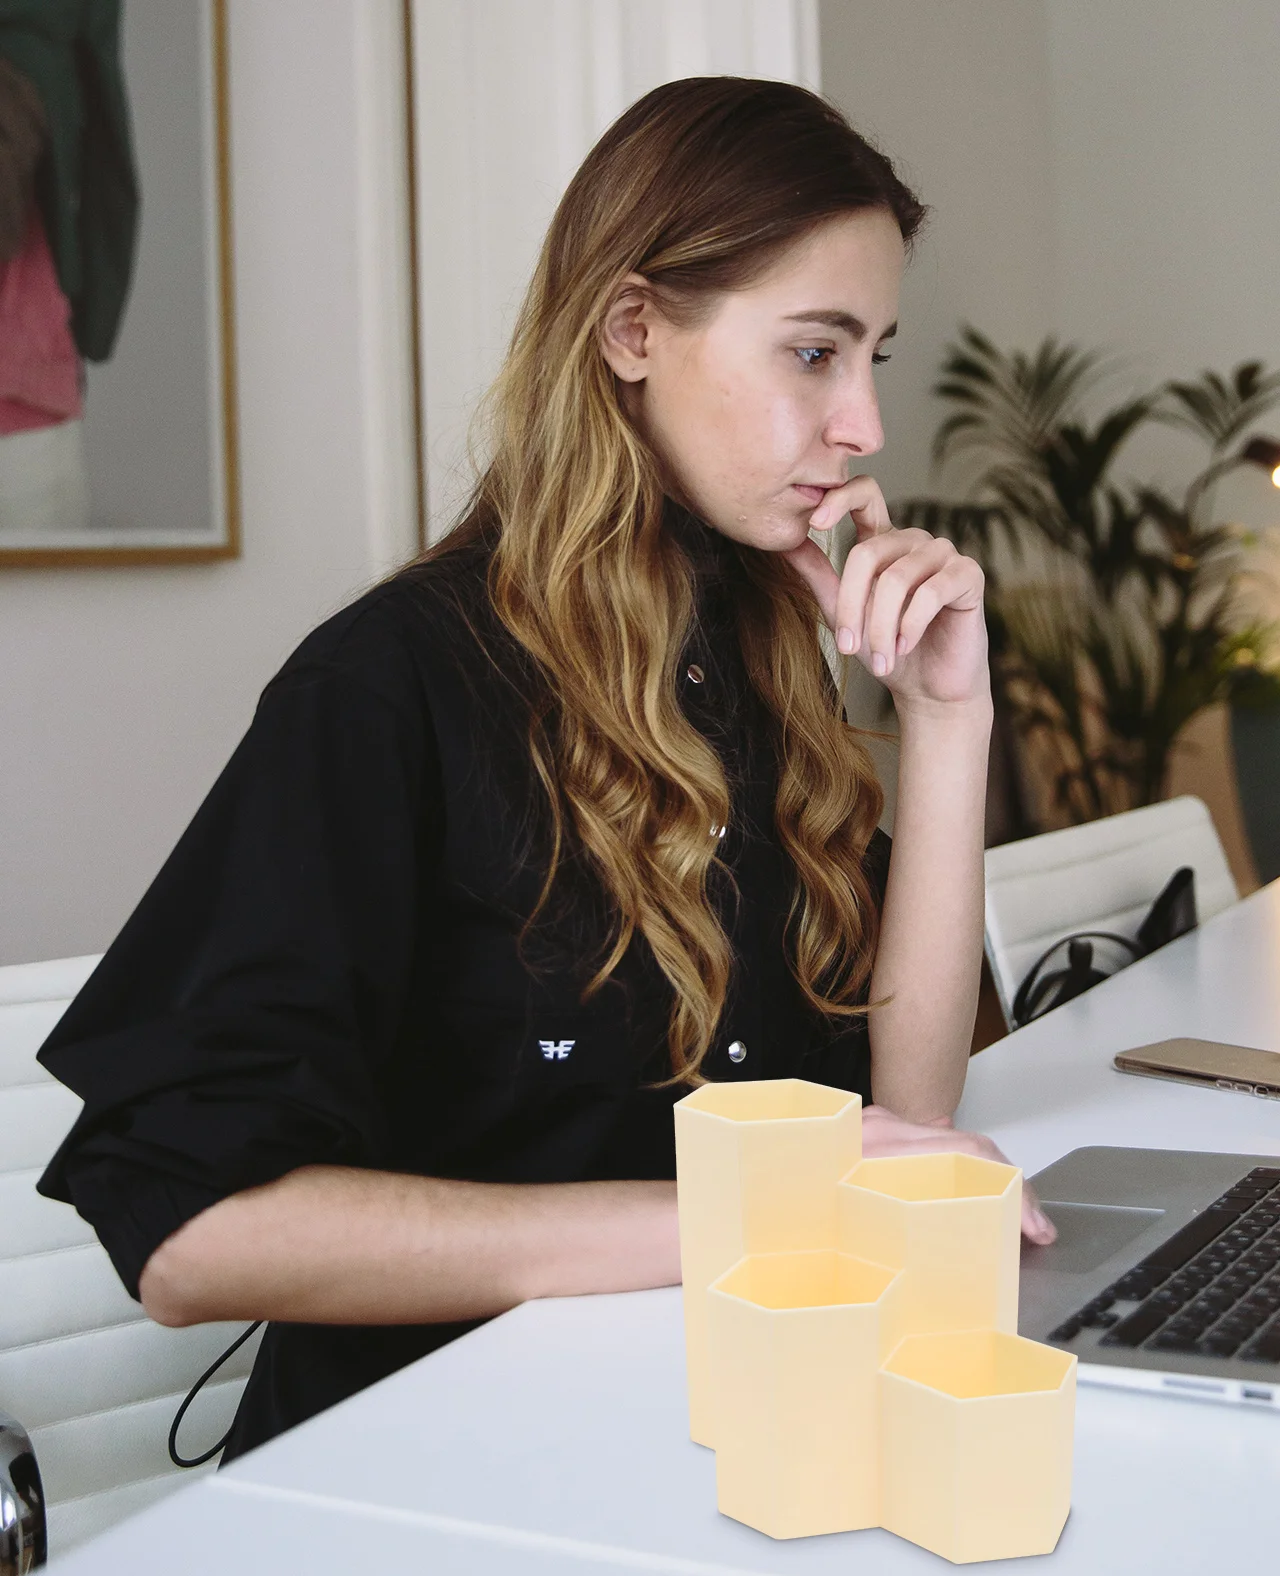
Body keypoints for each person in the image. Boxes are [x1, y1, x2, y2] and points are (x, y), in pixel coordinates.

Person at [37, 76, 1054, 1462]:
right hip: (444, 1458)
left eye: (874, 354)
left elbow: (910, 1115)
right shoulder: (391, 688)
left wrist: (949, 719)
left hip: (714, 1418)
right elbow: (190, 1236)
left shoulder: (760, 647)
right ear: (634, 329)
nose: (866, 423)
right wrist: (729, 1219)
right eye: (815, 354)